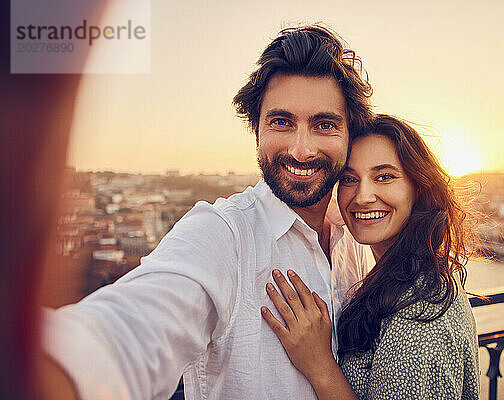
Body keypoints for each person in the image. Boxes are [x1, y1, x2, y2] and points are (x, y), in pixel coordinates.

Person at [41, 25, 375, 399]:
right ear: (256, 129)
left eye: (324, 125)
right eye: (281, 122)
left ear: (351, 135)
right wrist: (46, 368)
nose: (301, 150)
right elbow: (131, 331)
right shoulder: (224, 235)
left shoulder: (358, 238)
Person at [261, 114, 480, 399]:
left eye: (384, 177)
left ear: (419, 187)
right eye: (349, 179)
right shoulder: (406, 277)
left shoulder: (420, 318)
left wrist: (320, 366)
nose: (363, 196)